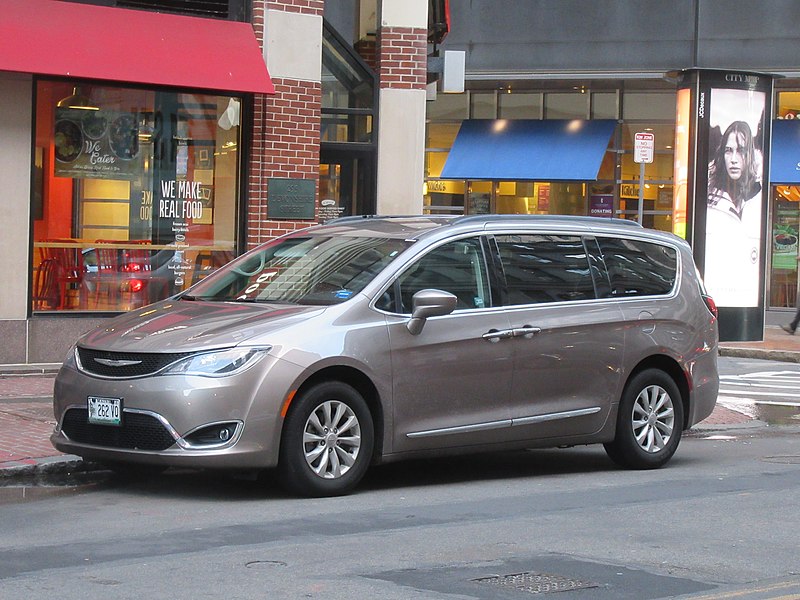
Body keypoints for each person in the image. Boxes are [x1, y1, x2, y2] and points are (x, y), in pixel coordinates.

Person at [703, 120, 762, 308]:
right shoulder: (709, 200)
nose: (734, 159)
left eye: (741, 150)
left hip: (746, 295)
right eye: (729, 151)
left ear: (750, 154)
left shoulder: (757, 198)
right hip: (715, 296)